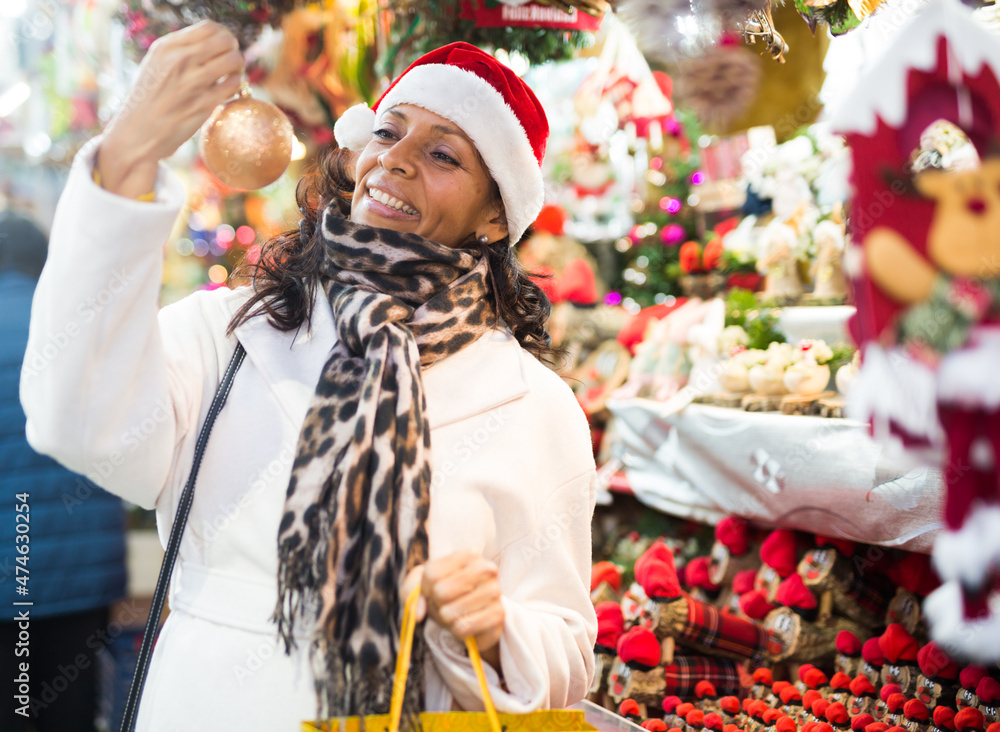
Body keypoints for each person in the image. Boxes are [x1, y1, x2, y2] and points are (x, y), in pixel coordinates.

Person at [20, 21, 597, 732]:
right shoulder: (228, 336)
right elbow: (77, 423)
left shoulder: (534, 406)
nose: (399, 160)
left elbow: (569, 645)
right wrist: (126, 158)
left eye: (443, 153)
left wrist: (498, 629)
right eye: (388, 133)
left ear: (492, 217)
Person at [1, 211, 127, 732]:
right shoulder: (80, 325)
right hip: (85, 570)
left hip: (10, 575)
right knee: (71, 706)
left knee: (13, 706)